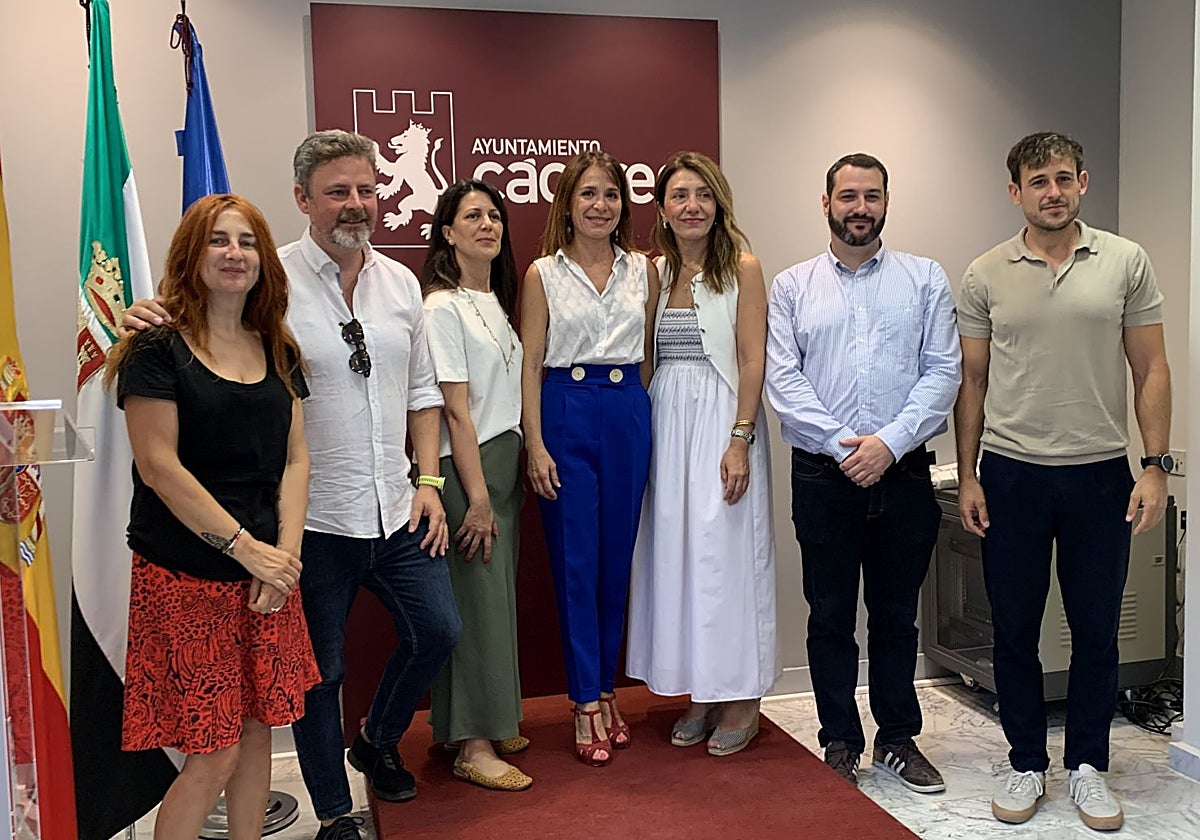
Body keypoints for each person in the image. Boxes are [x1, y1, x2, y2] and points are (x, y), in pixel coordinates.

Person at [122, 129, 461, 840]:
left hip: (393, 507)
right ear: (304, 199)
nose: (356, 204)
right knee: (316, 681)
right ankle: (335, 812)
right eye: (338, 191)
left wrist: (429, 478)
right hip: (305, 527)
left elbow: (422, 393)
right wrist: (145, 312)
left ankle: (376, 742)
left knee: (437, 631)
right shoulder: (267, 281)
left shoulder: (401, 283)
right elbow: (196, 334)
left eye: (367, 190)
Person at [955, 131, 1171, 832]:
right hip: (1013, 474)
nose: (1053, 191)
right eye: (1037, 181)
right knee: (1014, 632)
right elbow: (974, 382)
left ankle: (1087, 767)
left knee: (1096, 631)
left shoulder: (1125, 262)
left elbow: (1152, 369)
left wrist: (1154, 465)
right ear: (1014, 191)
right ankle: (1025, 762)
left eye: (1063, 178)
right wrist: (968, 477)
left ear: (1083, 182)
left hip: (1101, 474)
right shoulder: (986, 272)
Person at [106, 193, 317, 840]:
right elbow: (158, 466)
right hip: (187, 579)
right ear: (191, 256)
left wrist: (282, 558)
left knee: (257, 735)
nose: (234, 253)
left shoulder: (278, 347)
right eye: (219, 241)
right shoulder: (156, 350)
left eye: (248, 241)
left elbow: (297, 461)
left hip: (265, 579)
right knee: (215, 749)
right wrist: (245, 550)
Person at [765, 153, 960, 791]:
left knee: (897, 616)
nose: (860, 208)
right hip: (824, 477)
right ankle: (840, 740)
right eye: (847, 196)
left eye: (871, 196)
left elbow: (942, 373)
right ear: (826, 204)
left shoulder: (924, 278)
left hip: (902, 476)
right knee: (828, 615)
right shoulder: (793, 286)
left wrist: (889, 445)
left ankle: (898, 740)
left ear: (886, 201)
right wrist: (844, 445)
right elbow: (783, 378)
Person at [625, 151, 778, 756]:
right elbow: (644, 360)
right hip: (667, 418)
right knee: (680, 556)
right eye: (679, 196)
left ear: (718, 204)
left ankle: (743, 696)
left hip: (721, 421)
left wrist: (739, 438)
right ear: (661, 208)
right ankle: (702, 689)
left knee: (726, 557)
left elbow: (750, 359)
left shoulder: (743, 267)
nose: (692, 206)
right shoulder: (653, 272)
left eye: (702, 195)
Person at [520, 149, 658, 767]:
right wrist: (537, 442)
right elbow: (528, 362)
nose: (601, 205)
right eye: (588, 195)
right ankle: (582, 703)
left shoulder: (644, 271)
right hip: (565, 409)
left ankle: (606, 689)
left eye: (610, 195)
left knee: (614, 564)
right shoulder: (542, 274)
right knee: (576, 563)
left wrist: (631, 406)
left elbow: (650, 353)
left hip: (626, 409)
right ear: (567, 206)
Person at [420, 180, 531, 791]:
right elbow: (454, 411)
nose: (487, 224)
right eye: (472, 216)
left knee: (494, 601)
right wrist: (479, 498)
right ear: (447, 232)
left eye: (494, 215)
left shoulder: (494, 300)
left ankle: (490, 716)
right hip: (472, 469)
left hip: (503, 459)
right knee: (476, 603)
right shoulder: (442, 306)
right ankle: (474, 745)